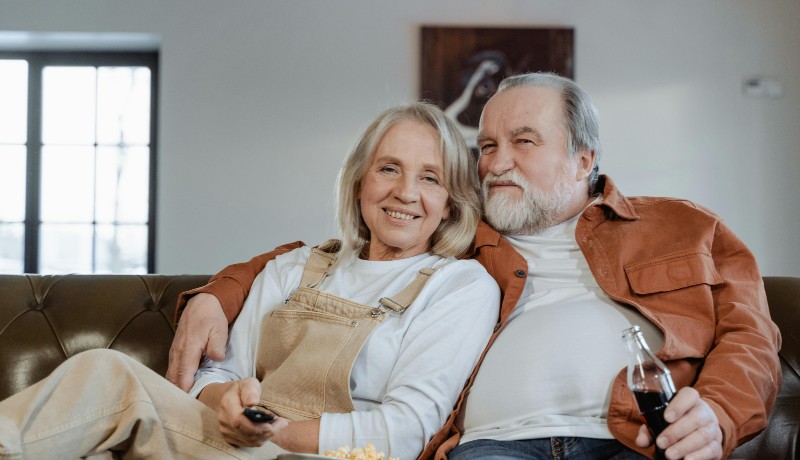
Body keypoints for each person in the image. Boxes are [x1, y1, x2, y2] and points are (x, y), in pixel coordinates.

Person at [167, 73, 782, 460]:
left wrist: (720, 414)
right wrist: (216, 295)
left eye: (523, 141)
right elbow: (331, 256)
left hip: (632, 440)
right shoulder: (461, 235)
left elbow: (751, 336)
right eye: (486, 146)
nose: (496, 162)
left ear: (583, 156)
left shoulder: (684, 225)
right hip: (492, 448)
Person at [0, 102, 500, 460]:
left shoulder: (458, 287)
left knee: (113, 390)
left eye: (430, 177)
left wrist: (279, 434)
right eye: (388, 168)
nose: (405, 192)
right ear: (359, 183)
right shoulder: (294, 267)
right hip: (230, 444)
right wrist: (227, 408)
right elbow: (215, 377)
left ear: (451, 202)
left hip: (323, 455)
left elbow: (406, 432)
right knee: (103, 383)